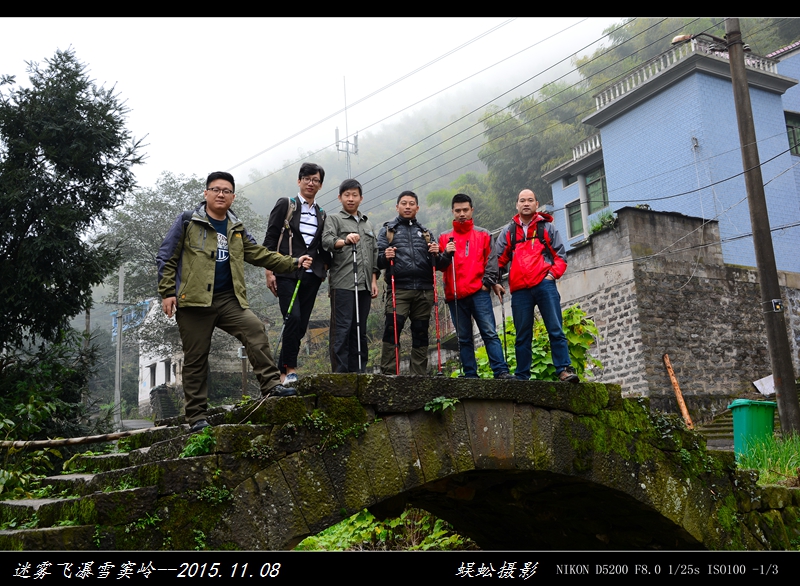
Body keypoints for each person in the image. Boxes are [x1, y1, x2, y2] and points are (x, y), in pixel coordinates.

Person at [158, 171, 313, 433]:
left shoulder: (236, 228)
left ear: (233, 197)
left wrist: (292, 262)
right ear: (205, 193)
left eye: (226, 191)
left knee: (254, 329)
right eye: (216, 189)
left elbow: (259, 254)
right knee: (196, 358)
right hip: (195, 302)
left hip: (229, 299)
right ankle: (196, 417)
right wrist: (167, 292)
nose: (221, 194)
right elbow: (167, 255)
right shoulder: (188, 221)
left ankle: (271, 385)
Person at [495, 189, 579, 383]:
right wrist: (495, 282)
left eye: (530, 200)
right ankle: (522, 375)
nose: (526, 203)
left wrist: (551, 275)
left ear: (536, 204)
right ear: (517, 205)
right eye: (522, 200)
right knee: (522, 334)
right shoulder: (509, 232)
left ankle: (564, 370)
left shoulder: (546, 228)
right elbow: (498, 261)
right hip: (519, 290)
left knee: (555, 328)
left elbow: (560, 256)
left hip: (544, 284)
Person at [263, 162, 330, 385]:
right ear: (299, 181)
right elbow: (271, 238)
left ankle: (283, 371)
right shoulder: (286, 205)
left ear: (320, 185)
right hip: (286, 271)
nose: (311, 183)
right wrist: (269, 271)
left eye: (316, 180)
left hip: (311, 276)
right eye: (307, 178)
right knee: (293, 318)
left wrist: (323, 268)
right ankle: (290, 369)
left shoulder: (321, 213)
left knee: (301, 326)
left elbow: (321, 246)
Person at [438, 193, 513, 379]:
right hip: (454, 294)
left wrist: (486, 284)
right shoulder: (444, 237)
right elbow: (439, 264)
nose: (462, 214)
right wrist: (446, 253)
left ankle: (501, 371)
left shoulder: (483, 234)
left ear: (472, 210)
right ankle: (470, 374)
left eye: (465, 210)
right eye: (458, 210)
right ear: (452, 212)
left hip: (479, 292)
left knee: (489, 332)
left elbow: (492, 261)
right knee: (464, 338)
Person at [377, 191, 449, 375]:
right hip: (399, 288)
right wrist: (385, 256)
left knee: (421, 332)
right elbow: (376, 261)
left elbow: (440, 264)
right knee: (392, 329)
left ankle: (419, 375)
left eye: (411, 204)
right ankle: (389, 373)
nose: (407, 207)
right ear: (397, 207)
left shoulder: (425, 233)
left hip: (424, 289)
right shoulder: (388, 231)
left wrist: (438, 253)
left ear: (417, 208)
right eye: (404, 203)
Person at [321, 179, 379, 372]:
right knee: (342, 329)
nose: (351, 198)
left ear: (361, 198)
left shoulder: (367, 223)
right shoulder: (334, 219)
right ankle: (340, 373)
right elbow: (327, 241)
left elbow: (374, 253)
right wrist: (344, 240)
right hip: (343, 283)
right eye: (347, 195)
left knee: (360, 329)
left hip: (364, 285)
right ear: (340, 197)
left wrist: (373, 281)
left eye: (355, 195)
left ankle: (359, 370)